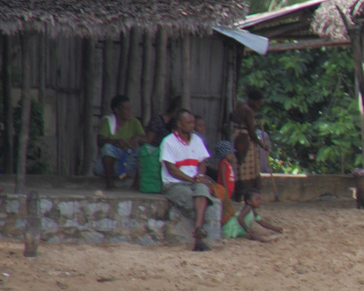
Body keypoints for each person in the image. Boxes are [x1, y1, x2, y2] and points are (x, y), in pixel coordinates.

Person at [160, 109, 221, 251]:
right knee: (198, 202)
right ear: (180, 124)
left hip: (193, 181)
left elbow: (202, 163)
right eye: (189, 123)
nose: (192, 125)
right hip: (174, 183)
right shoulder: (168, 142)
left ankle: (198, 230)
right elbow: (172, 170)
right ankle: (198, 236)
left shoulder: (197, 140)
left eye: (193, 122)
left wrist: (199, 176)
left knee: (203, 190)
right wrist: (192, 180)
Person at [97, 94, 147, 188]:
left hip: (128, 162)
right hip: (109, 165)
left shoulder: (134, 122)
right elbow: (100, 141)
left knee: (144, 150)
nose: (130, 112)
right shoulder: (109, 121)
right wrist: (115, 142)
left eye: (130, 109)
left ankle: (136, 185)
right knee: (107, 148)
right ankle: (110, 183)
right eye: (126, 109)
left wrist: (138, 138)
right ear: (117, 110)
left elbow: (146, 140)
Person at [231, 103, 262, 193]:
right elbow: (252, 132)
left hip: (236, 136)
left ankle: (240, 191)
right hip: (245, 139)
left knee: (239, 167)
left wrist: (255, 116)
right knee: (245, 167)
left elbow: (243, 119)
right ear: (253, 100)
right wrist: (262, 144)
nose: (258, 106)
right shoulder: (248, 110)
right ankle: (245, 192)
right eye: (258, 104)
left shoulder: (240, 105)